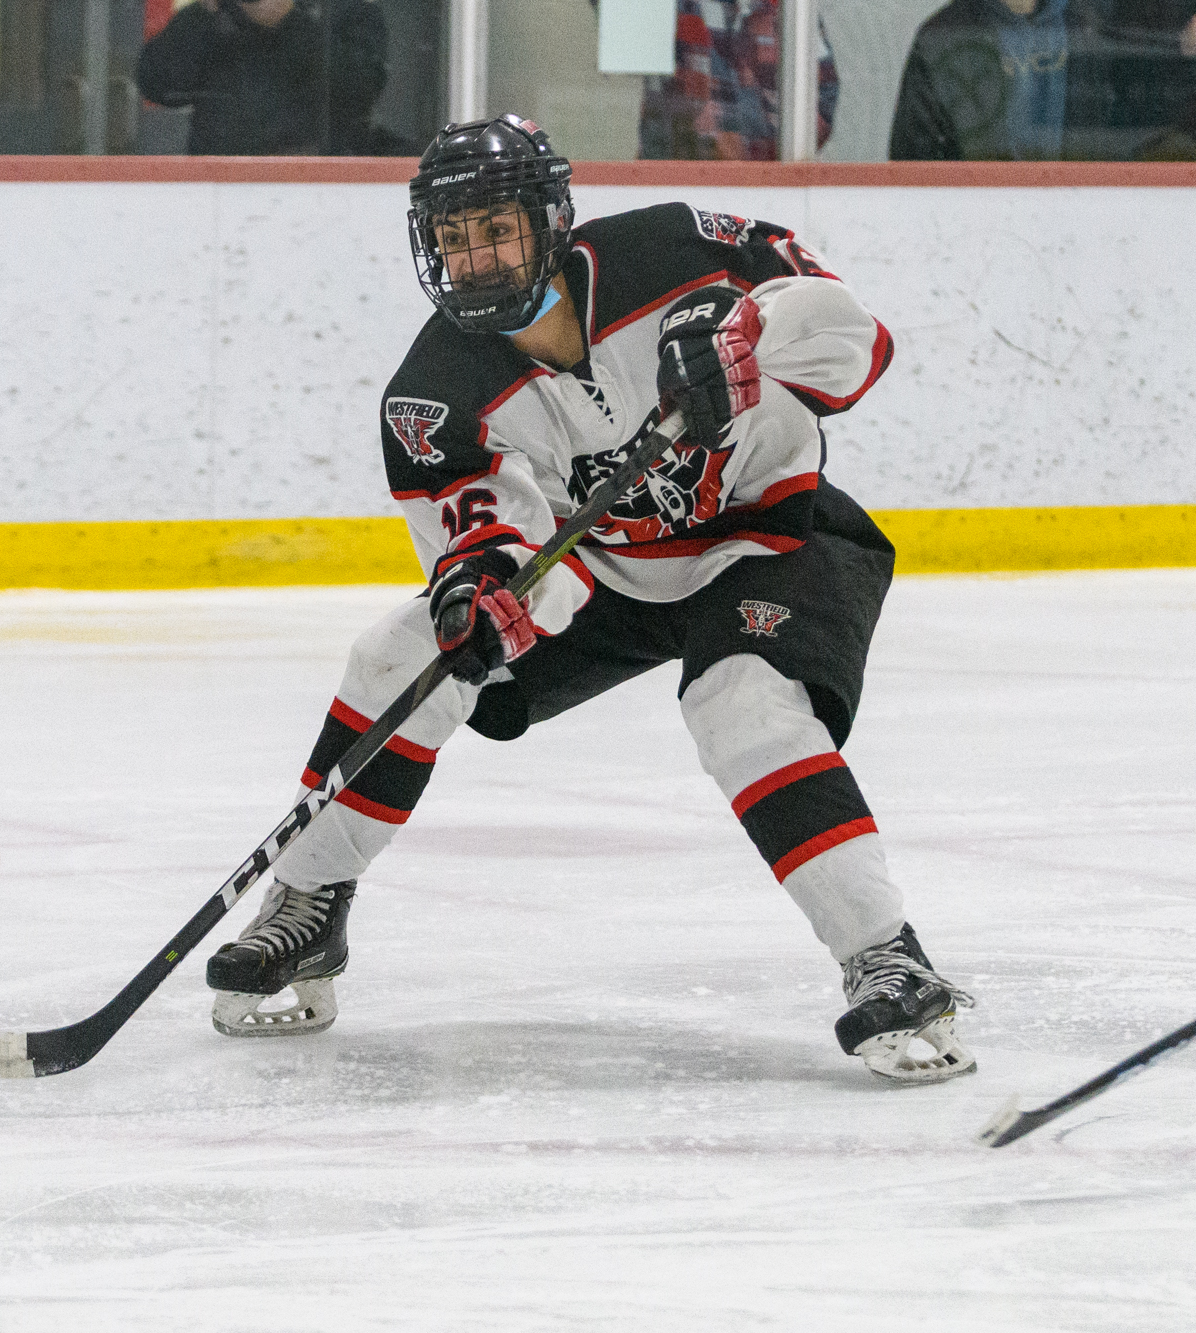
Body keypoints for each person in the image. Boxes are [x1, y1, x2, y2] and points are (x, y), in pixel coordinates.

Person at [204, 115, 978, 1086]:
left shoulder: (680, 250)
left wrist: (744, 334)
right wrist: (481, 595)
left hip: (765, 537)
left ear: (548, 220)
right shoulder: (432, 393)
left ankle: (885, 955)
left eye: (492, 229)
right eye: (450, 240)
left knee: (737, 701)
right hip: (602, 572)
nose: (473, 258)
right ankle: (307, 903)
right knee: (399, 653)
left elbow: (856, 340)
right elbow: (490, 537)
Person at [136, 0, 395, 155]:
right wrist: (203, 18)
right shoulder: (214, 14)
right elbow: (156, 85)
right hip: (219, 186)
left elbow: (362, 88)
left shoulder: (344, 12)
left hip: (317, 184)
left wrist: (289, 21)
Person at [637, 0, 839, 160]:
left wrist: (774, 149)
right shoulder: (678, 8)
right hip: (684, 170)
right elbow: (651, 94)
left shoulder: (790, 10)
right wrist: (694, 115)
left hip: (768, 179)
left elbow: (823, 102)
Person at [890, 0, 1087, 160]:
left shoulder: (1090, 28)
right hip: (977, 205)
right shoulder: (943, 35)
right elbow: (912, 167)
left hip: (1075, 204)